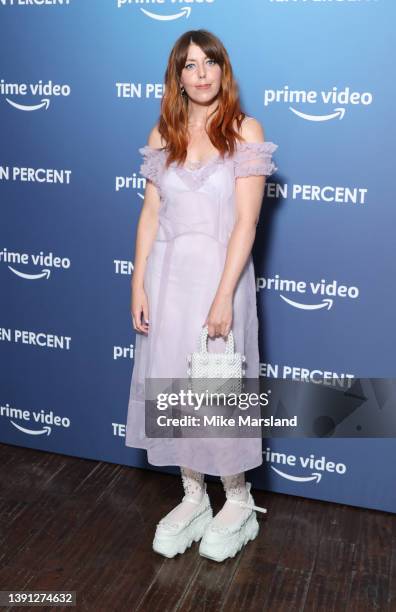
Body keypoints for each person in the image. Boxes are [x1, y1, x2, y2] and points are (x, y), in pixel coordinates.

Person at [125, 29, 278, 562]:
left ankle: (236, 498)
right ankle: (193, 495)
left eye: (210, 61)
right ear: (178, 77)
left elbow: (246, 223)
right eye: (190, 65)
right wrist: (137, 280)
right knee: (175, 388)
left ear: (222, 69)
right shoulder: (163, 133)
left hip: (220, 283)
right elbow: (149, 215)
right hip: (167, 283)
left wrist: (223, 297)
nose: (202, 72)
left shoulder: (244, 130)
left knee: (216, 394)